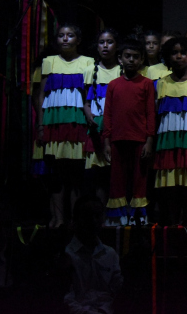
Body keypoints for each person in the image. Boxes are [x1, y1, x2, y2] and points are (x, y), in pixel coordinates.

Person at [37, 24, 95, 228]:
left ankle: (76, 220)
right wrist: (41, 124)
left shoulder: (88, 62)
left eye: (70, 35)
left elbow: (89, 94)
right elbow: (42, 94)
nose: (65, 39)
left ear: (78, 40)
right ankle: (59, 218)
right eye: (61, 36)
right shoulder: (49, 62)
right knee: (57, 175)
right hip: (54, 123)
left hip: (77, 122)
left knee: (76, 175)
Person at [102, 38, 155, 226]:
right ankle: (117, 216)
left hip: (139, 139)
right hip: (117, 139)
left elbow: (150, 113)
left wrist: (149, 141)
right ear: (120, 59)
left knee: (139, 179)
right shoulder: (113, 85)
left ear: (141, 60)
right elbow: (107, 114)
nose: (131, 60)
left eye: (135, 57)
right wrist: (107, 142)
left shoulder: (147, 83)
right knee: (117, 178)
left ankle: (137, 216)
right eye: (127, 56)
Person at [153, 37, 187, 225]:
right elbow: (156, 116)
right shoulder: (161, 83)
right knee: (170, 191)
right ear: (167, 56)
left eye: (183, 52)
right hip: (167, 142)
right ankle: (172, 232)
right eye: (174, 53)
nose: (179, 56)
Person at [64, 195, 123, 314]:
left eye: (97, 216)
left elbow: (118, 292)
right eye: (88, 216)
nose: (94, 221)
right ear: (76, 219)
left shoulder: (110, 254)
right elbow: (65, 298)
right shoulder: (67, 255)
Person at [82, 29, 122, 204]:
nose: (105, 46)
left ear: (117, 46)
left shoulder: (122, 69)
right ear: (96, 47)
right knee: (98, 175)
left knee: (117, 173)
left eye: (110, 42)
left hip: (119, 127)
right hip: (97, 126)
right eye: (101, 42)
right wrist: (88, 113)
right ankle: (100, 216)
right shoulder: (90, 70)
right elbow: (85, 100)